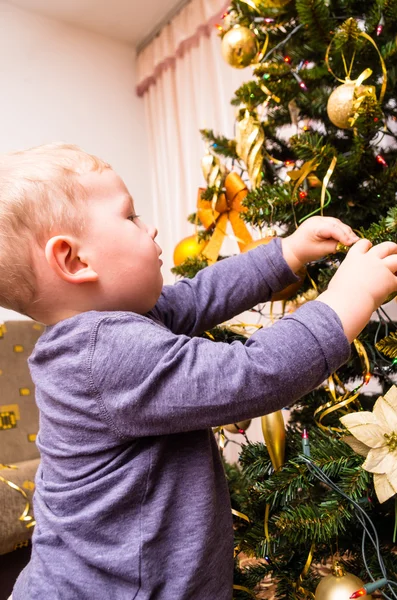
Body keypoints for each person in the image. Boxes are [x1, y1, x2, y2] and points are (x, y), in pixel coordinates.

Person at [4, 142, 397, 600]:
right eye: (130, 217)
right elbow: (254, 373)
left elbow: (197, 295)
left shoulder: (122, 325)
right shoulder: (101, 356)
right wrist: (350, 298)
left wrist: (286, 253)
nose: (150, 229)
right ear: (74, 260)